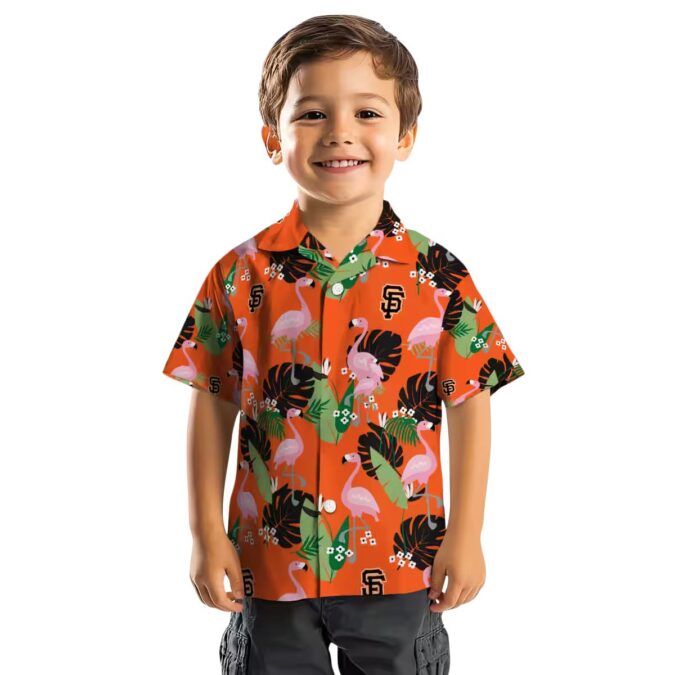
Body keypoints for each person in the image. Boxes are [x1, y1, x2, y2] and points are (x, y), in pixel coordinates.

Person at [161, 14, 525, 674]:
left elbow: (470, 401)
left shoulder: (438, 276)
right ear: (272, 138)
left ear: (404, 136)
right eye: (311, 114)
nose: (339, 132)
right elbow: (213, 402)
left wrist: (467, 534)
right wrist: (205, 532)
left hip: (399, 558)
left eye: (366, 112)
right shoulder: (239, 275)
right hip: (270, 560)